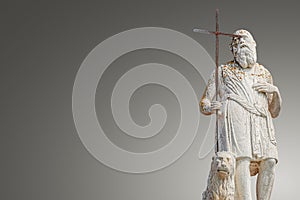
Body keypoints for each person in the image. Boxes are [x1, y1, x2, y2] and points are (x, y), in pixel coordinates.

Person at [200, 29, 282, 200]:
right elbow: (204, 102)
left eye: (248, 44)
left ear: (254, 46)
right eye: (240, 45)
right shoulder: (223, 71)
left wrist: (275, 92)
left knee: (270, 161)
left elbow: (274, 111)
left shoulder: (264, 73)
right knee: (241, 160)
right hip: (235, 118)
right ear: (234, 50)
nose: (245, 47)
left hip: (261, 120)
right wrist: (210, 107)